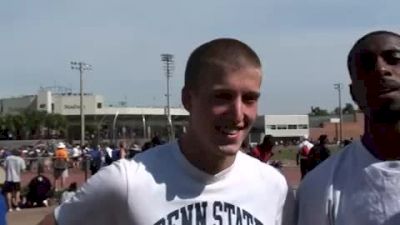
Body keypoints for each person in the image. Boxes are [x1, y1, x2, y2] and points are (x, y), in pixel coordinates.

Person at [39, 38, 289, 225]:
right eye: (222, 96)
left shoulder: (273, 187)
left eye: (249, 99)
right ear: (188, 99)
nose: (237, 113)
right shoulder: (126, 183)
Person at [296, 30, 400, 225]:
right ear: (353, 93)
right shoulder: (320, 185)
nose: (381, 69)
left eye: (394, 59)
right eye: (367, 65)